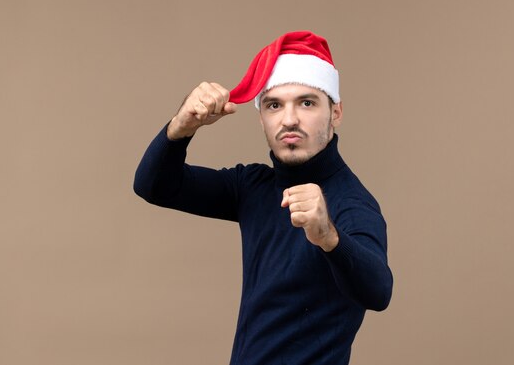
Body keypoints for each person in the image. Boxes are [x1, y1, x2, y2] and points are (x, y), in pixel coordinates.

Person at [134, 31, 393, 365]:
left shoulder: (350, 202)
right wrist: (181, 127)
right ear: (261, 118)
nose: (289, 119)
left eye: (307, 102)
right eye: (274, 105)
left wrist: (329, 236)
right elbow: (153, 186)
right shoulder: (252, 186)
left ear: (336, 112)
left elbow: (379, 291)